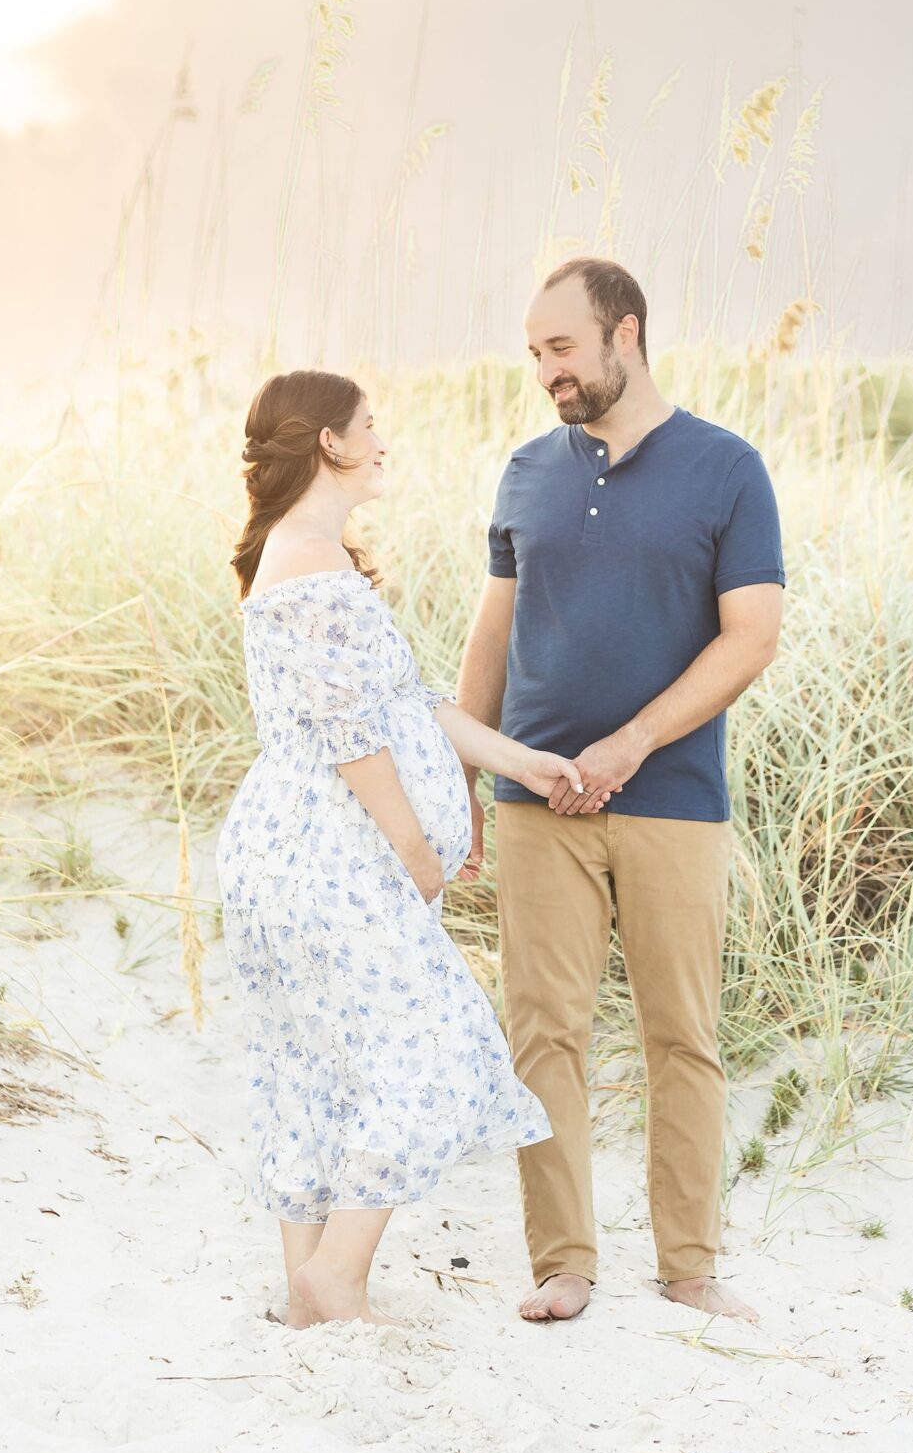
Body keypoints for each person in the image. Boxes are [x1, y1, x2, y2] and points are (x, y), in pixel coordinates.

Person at [217, 368, 594, 1328]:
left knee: (311, 1064)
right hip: (329, 857)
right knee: (438, 1050)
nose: (383, 440)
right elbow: (353, 733)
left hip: (294, 857)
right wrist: (417, 848)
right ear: (330, 443)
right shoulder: (310, 561)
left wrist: (528, 762)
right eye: (370, 425)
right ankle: (337, 1274)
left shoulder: (303, 551)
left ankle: (309, 1293)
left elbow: (411, 704)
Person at [457, 258, 784, 1326]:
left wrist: (634, 742)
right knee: (541, 1033)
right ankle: (564, 1263)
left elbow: (753, 637)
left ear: (625, 334)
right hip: (537, 800)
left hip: (672, 797)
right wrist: (466, 768)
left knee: (680, 1034)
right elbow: (493, 630)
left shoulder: (727, 469)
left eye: (561, 348)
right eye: (534, 352)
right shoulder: (525, 472)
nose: (545, 370)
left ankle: (689, 1266)